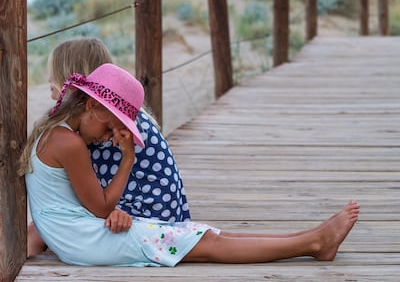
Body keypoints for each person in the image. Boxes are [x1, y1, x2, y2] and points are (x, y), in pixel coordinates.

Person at [21, 63, 360, 266]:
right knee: (206, 244)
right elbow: (100, 208)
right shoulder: (69, 143)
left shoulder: (55, 134)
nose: (109, 137)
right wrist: (127, 158)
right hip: (87, 240)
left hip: (82, 238)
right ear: (92, 106)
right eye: (110, 127)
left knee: (205, 235)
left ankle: (309, 237)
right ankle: (314, 244)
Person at [28, 38, 190, 257]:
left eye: (54, 85)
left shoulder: (108, 123)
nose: (52, 94)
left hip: (147, 213)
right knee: (39, 229)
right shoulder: (114, 112)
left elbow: (96, 201)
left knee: (38, 231)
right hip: (162, 209)